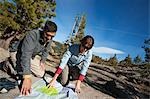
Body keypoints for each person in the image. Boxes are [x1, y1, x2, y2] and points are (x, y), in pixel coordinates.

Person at [8, 20, 57, 95]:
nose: (49, 38)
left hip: (30, 57)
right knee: (22, 74)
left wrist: (42, 62)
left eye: (52, 36)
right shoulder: (33, 34)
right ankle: (7, 64)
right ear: (43, 30)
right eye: (48, 35)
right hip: (17, 53)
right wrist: (27, 76)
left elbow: (46, 51)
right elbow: (26, 54)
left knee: (40, 73)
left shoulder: (49, 40)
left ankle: (18, 67)